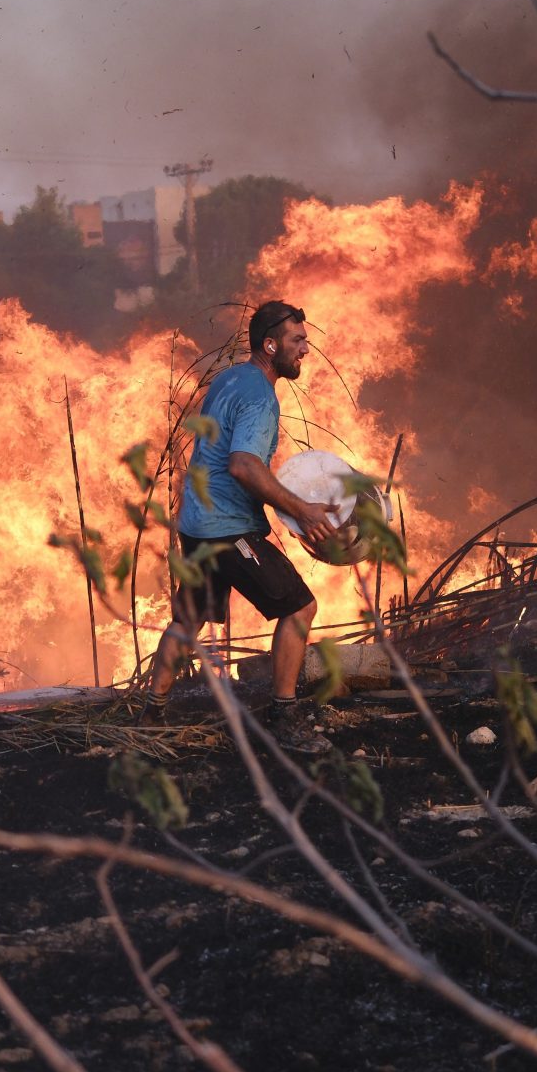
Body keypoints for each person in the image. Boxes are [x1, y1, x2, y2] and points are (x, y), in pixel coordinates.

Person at [143, 300, 340, 752]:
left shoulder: (229, 377)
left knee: (188, 619)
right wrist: (303, 509)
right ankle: (285, 717)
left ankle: (152, 710)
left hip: (195, 522)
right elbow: (244, 467)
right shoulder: (260, 396)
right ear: (270, 346)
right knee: (300, 608)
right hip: (227, 529)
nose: (305, 350)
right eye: (297, 341)